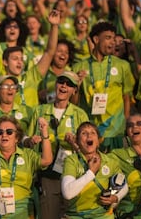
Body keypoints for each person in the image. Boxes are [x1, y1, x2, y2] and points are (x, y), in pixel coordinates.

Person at [26, 71, 89, 219]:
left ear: (74, 90)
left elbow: (88, 150)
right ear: (56, 84)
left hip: (72, 175)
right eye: (61, 81)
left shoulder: (80, 114)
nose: (64, 86)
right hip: (47, 175)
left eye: (69, 84)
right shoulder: (39, 111)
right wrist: (31, 140)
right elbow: (28, 142)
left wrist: (74, 143)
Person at [0, 10, 60, 108]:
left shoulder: (32, 77)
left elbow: (50, 52)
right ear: (5, 62)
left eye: (21, 58)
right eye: (15, 58)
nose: (19, 61)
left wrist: (54, 26)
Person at [72, 21, 135, 152]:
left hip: (116, 131)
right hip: (91, 133)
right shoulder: (79, 67)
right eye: (108, 38)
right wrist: (76, 86)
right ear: (95, 39)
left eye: (113, 38)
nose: (113, 42)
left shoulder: (122, 65)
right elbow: (74, 103)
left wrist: (126, 125)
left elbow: (126, 97)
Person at [61, 122, 128, 219]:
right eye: (84, 133)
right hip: (76, 216)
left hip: (103, 216)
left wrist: (116, 198)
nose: (89, 135)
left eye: (93, 133)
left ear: (98, 141)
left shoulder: (110, 161)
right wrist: (91, 172)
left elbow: (124, 185)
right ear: (78, 141)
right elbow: (67, 193)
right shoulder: (71, 160)